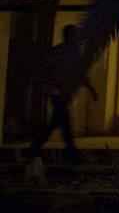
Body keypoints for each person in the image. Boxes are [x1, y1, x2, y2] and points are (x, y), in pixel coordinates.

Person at [28, 26, 97, 162]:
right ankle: (70, 152)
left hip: (61, 93)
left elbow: (78, 74)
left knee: (58, 122)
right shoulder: (67, 52)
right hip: (59, 93)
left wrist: (90, 88)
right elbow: (78, 73)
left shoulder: (63, 52)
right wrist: (91, 89)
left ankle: (37, 147)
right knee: (63, 122)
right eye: (74, 35)